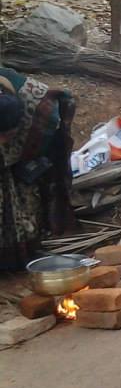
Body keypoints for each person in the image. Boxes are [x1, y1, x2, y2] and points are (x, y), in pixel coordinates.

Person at [0, 67, 74, 270]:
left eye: (8, 136)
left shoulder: (34, 107)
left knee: (21, 195)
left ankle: (17, 254)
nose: (4, 142)